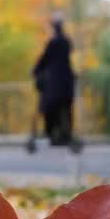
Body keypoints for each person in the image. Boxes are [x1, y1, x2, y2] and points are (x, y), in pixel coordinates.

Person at [32, 14, 77, 147]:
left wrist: (35, 71)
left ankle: (54, 134)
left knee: (50, 108)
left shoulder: (54, 43)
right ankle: (64, 134)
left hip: (55, 85)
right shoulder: (66, 42)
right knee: (65, 110)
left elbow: (44, 59)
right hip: (66, 83)